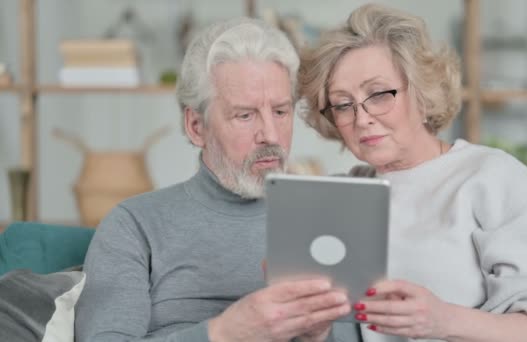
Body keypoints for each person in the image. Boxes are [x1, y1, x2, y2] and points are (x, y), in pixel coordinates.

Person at [298, 4, 527, 342]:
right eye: (342, 104)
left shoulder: (491, 178)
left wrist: (443, 321)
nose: (362, 117)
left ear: (422, 93)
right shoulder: (342, 195)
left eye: (379, 94)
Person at [76, 17, 359, 342]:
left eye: (280, 112)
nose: (270, 135)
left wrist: (317, 337)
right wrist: (224, 332)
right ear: (197, 127)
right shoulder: (134, 226)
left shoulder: (327, 217)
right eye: (245, 115)